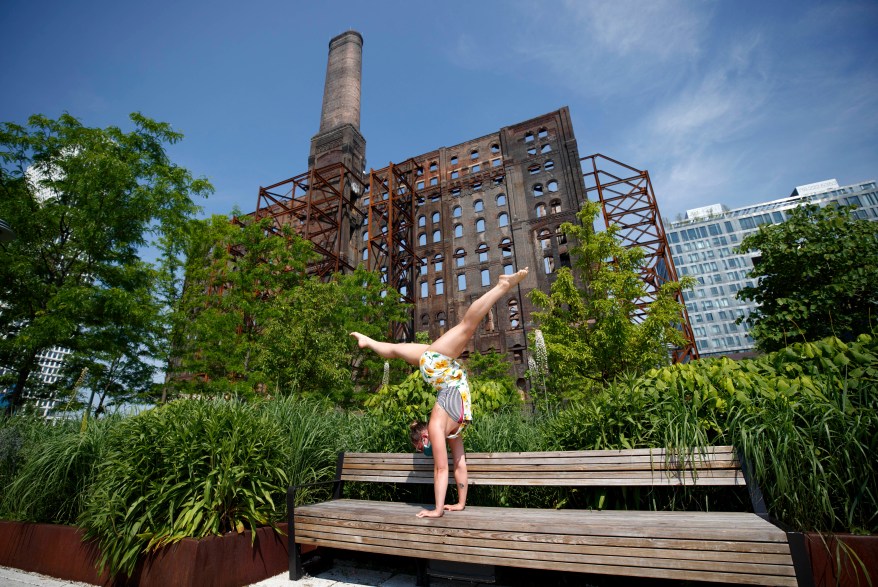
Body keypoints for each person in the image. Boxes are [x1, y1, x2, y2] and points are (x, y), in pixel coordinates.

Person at [350, 267, 529, 518]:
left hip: (441, 368)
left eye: (422, 444)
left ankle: (502, 285)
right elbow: (457, 465)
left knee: (464, 327)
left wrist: (437, 509)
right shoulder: (449, 430)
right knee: (461, 328)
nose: (428, 446)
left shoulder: (443, 426)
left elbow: (441, 469)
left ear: (424, 437)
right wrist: (459, 504)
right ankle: (367, 341)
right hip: (441, 369)